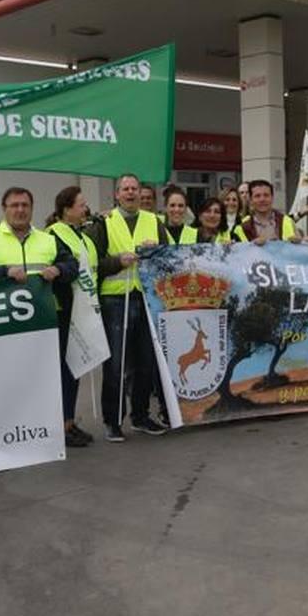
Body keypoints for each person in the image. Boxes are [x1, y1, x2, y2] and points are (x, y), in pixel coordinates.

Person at [87, 172, 171, 441]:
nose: (131, 193)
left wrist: (154, 250)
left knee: (146, 362)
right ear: (116, 194)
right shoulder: (104, 222)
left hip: (146, 297)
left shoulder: (154, 222)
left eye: (135, 188)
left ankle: (141, 415)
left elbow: (168, 257)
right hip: (115, 299)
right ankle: (113, 420)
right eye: (125, 189)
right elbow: (94, 262)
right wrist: (117, 262)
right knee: (116, 364)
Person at [46, 185, 102, 448]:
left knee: (75, 368)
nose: (86, 208)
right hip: (63, 311)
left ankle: (68, 421)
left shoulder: (83, 236)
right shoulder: (54, 235)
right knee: (65, 370)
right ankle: (62, 424)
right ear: (66, 209)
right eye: (81, 204)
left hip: (82, 311)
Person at [0, 186, 75, 293]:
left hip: (43, 310)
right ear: (4, 209)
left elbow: (73, 265)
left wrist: (58, 269)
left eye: (25, 205)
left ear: (32, 208)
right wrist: (5, 272)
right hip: (3, 310)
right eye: (14, 205)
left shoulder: (49, 240)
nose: (20, 210)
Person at [233, 180, 301, 243]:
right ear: (250, 200)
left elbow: (299, 250)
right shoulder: (241, 227)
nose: (262, 199)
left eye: (266, 195)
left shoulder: (287, 221)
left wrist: (306, 243)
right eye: (257, 196)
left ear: (272, 198)